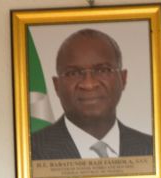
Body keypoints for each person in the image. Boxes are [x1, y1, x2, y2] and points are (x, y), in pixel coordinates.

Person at [30, 29, 153, 160]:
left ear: (123, 79)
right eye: (73, 73)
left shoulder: (153, 149)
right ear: (56, 85)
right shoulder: (29, 151)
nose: (89, 84)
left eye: (103, 70)